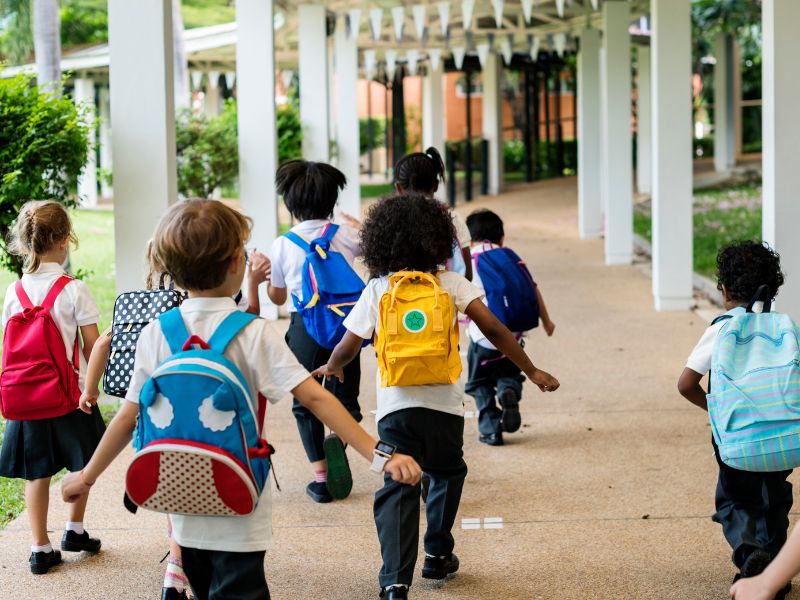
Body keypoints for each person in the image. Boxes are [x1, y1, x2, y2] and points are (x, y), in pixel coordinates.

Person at [61, 199, 421, 600]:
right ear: (237, 263)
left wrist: (86, 476)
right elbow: (317, 400)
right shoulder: (255, 333)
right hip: (240, 501)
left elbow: (128, 417)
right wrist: (380, 453)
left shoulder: (156, 333)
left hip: (180, 504)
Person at [313, 194, 560, 599]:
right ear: (437, 240)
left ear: (380, 243)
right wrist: (530, 370)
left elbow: (347, 344)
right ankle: (437, 552)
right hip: (445, 408)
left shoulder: (378, 288)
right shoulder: (452, 284)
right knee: (445, 473)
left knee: (397, 485)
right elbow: (496, 331)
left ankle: (395, 579)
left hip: (395, 410)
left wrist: (334, 366)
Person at [78, 240, 271, 600]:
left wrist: (90, 391)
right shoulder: (210, 302)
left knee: (176, 484)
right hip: (213, 423)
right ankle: (184, 562)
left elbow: (106, 342)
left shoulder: (145, 302)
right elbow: (252, 315)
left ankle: (175, 568)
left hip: (159, 414)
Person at [678, 241, 792, 598]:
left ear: (725, 290)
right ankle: (777, 571)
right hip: (783, 441)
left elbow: (685, 384)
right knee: (775, 499)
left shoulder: (723, 327)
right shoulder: (785, 328)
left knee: (735, 501)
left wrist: (716, 411)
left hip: (738, 442)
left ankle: (750, 555)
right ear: (773, 290)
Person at [0, 200, 105, 574]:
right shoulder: (74, 290)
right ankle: (74, 529)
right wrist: (91, 389)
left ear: (26, 243)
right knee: (84, 463)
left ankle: (39, 548)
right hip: (70, 396)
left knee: (36, 473)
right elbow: (94, 346)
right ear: (65, 240)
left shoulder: (15, 291)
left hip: (26, 399)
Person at [268, 160, 364, 504]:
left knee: (304, 403)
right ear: (332, 200)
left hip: (304, 329)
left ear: (290, 204)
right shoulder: (347, 235)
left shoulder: (282, 244)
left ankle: (322, 479)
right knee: (347, 399)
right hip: (345, 328)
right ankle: (341, 435)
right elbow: (374, 258)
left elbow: (278, 297)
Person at [462, 209, 556, 446]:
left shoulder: (470, 261)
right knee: (509, 372)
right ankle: (508, 388)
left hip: (482, 339)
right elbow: (532, 288)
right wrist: (546, 321)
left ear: (469, 239)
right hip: (513, 339)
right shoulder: (510, 256)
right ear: (501, 238)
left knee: (478, 383)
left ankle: (491, 430)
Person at [342, 147, 473, 280]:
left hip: (396, 296)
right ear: (436, 185)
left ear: (399, 187)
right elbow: (467, 274)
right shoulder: (453, 218)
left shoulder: (389, 218)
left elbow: (377, 270)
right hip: (445, 297)